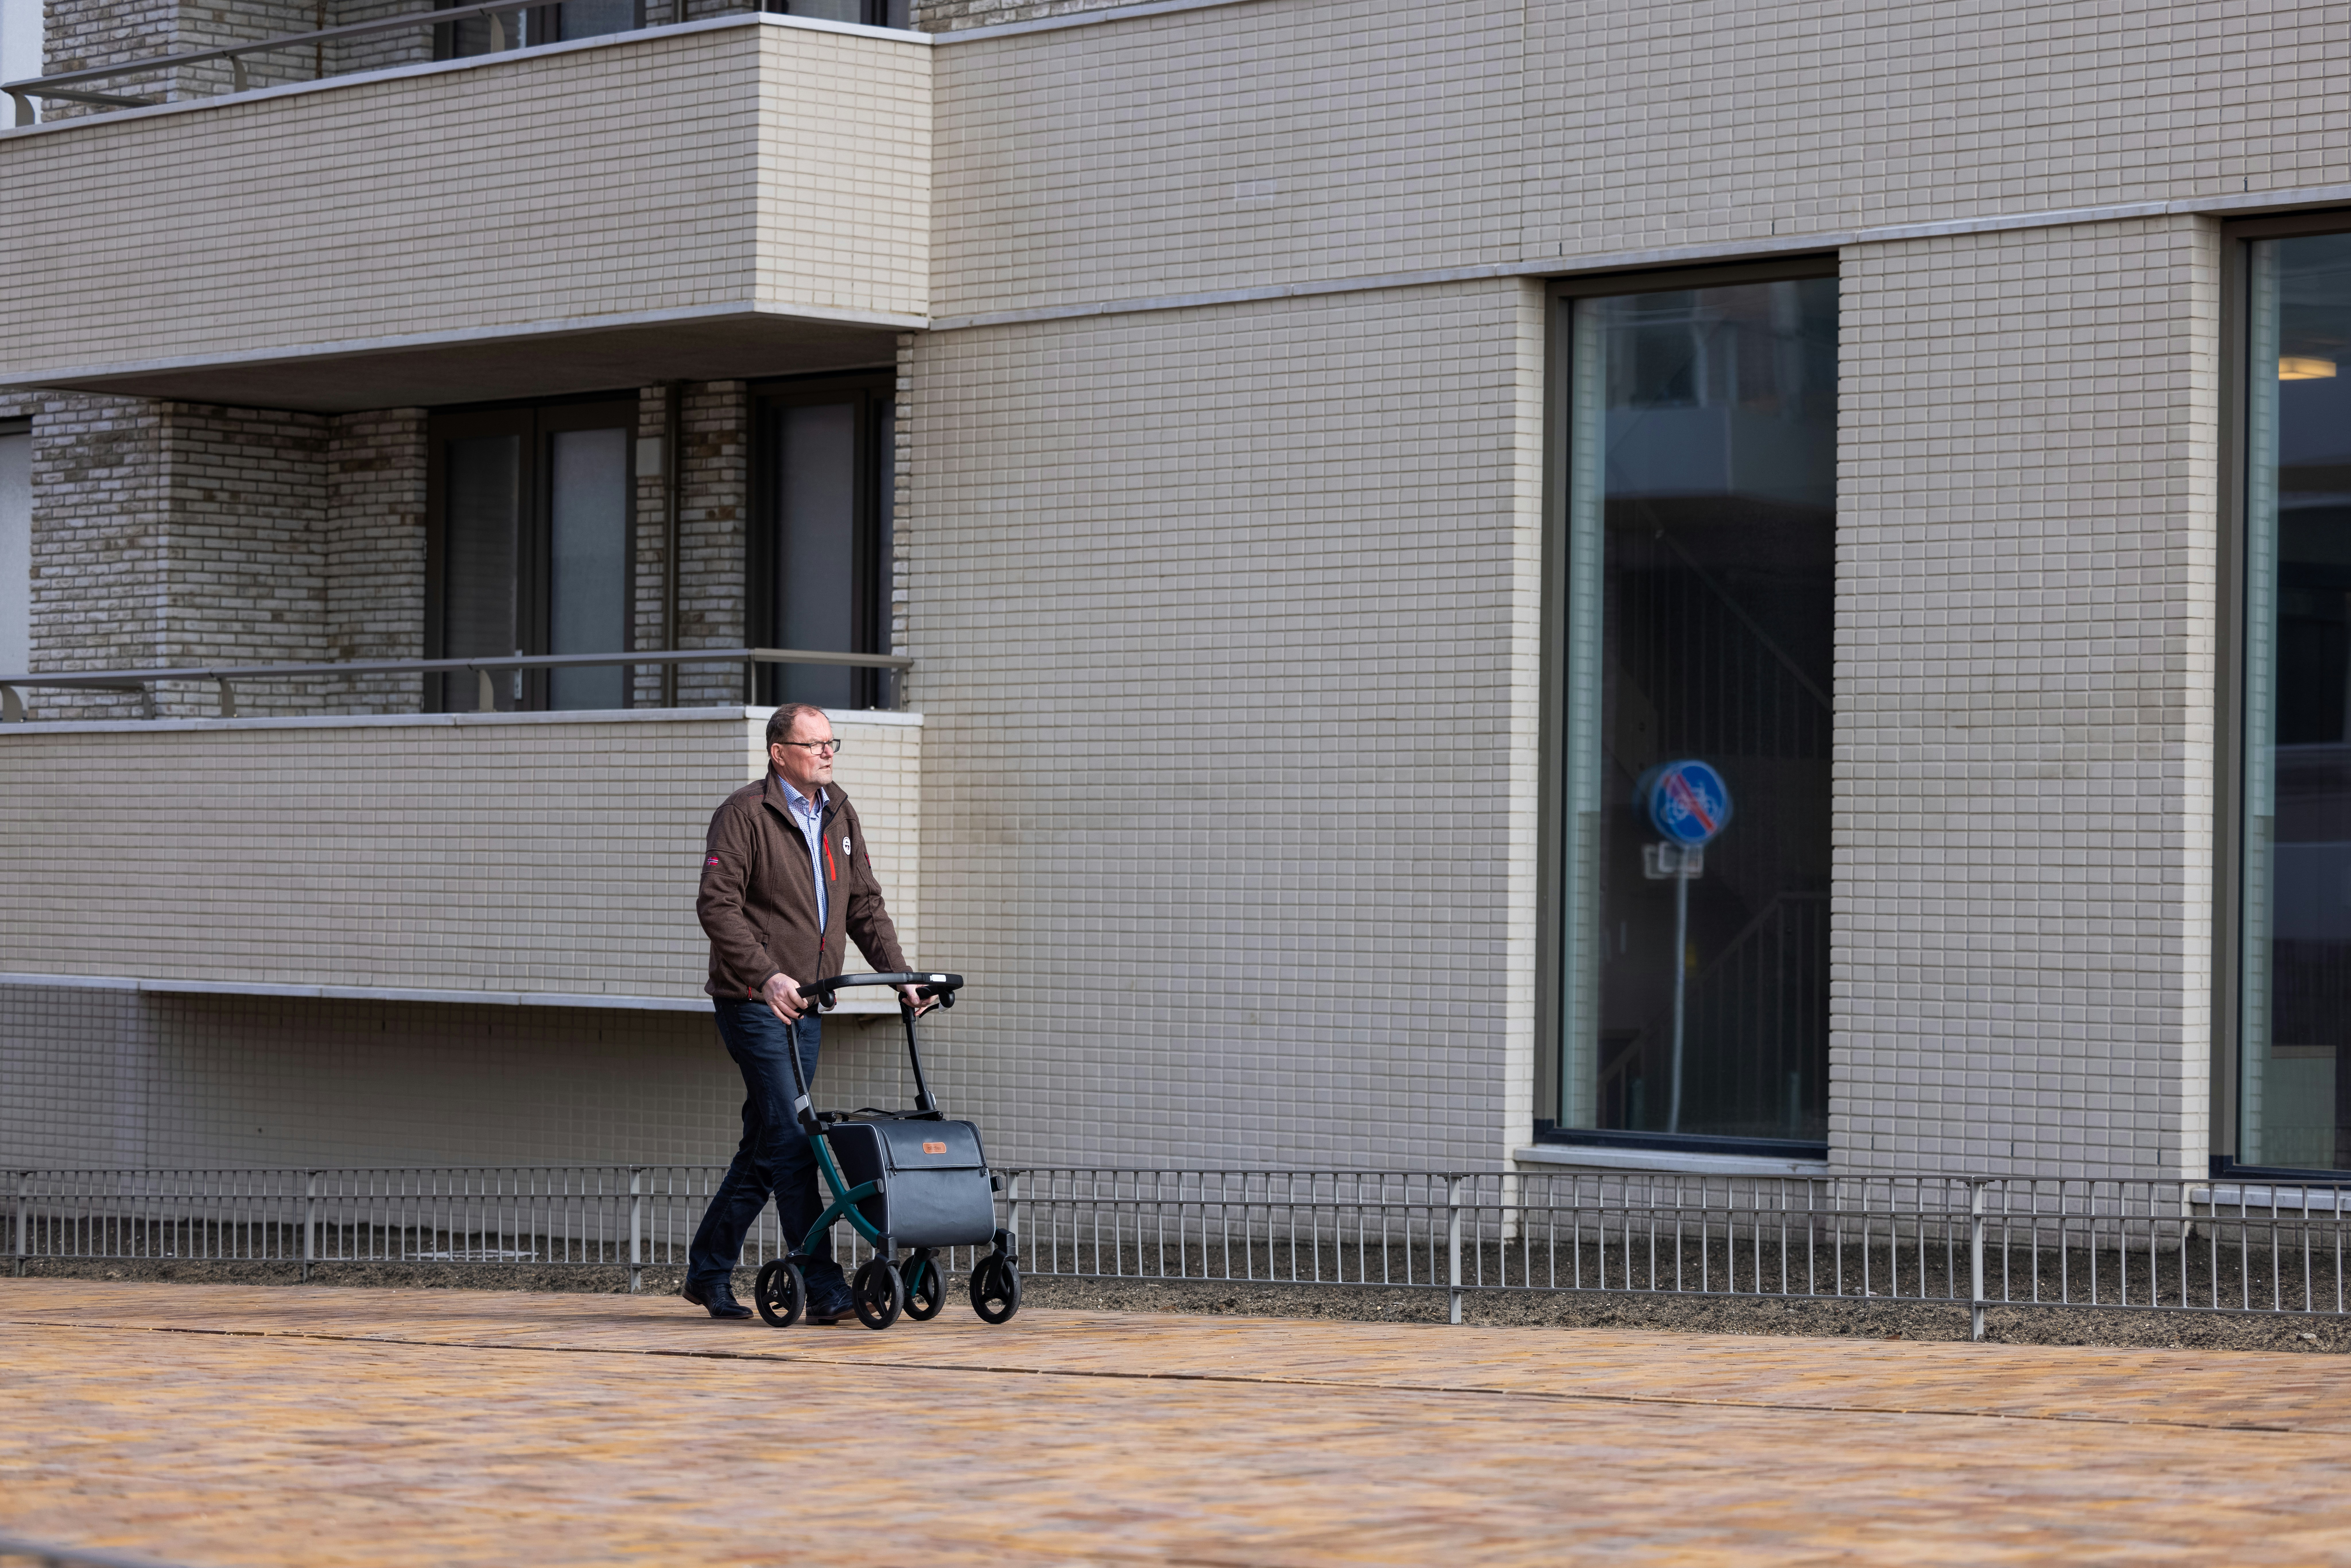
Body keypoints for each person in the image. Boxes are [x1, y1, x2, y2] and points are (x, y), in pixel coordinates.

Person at [682, 702, 931, 1321]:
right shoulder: (744, 814)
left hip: (811, 1004)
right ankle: (820, 1282)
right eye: (814, 742)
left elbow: (865, 906)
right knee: (795, 1137)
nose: (827, 752)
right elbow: (717, 907)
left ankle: (707, 1270)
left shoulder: (839, 813)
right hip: (754, 1002)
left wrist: (899, 976)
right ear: (778, 751)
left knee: (768, 1143)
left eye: (831, 742)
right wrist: (765, 975)